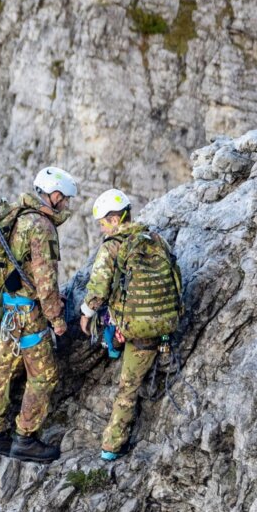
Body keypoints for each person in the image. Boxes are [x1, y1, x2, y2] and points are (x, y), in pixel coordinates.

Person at [0, 165, 78, 463]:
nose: (67, 205)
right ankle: (25, 439)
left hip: (8, 310)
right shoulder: (41, 227)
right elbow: (45, 280)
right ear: (55, 195)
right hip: (29, 315)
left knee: (2, 370)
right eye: (66, 199)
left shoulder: (19, 216)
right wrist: (57, 319)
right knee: (45, 375)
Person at [80, 188, 182, 462]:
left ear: (114, 219)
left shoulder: (112, 246)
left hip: (135, 330)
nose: (102, 229)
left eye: (102, 223)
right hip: (164, 324)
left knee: (127, 390)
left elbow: (98, 287)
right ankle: (162, 351)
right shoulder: (155, 239)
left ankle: (111, 447)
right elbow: (175, 278)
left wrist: (85, 313)